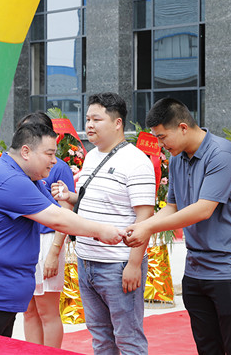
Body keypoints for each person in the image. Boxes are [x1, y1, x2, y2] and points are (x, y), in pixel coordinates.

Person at [0, 122, 125, 337]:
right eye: (49, 154)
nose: (54, 161)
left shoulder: (29, 179)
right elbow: (57, 219)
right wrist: (102, 231)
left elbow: (60, 212)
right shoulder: (9, 179)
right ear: (26, 151)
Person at [124, 97, 231, 355]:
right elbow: (172, 206)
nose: (160, 145)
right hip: (196, 270)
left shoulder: (221, 153)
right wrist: (141, 225)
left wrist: (148, 229)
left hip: (230, 268)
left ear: (183, 127)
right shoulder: (177, 159)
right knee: (207, 347)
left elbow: (203, 209)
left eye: (162, 137)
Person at [52, 92, 155, 355]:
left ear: (117, 123)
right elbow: (91, 200)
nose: (89, 125)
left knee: (128, 338)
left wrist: (134, 264)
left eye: (97, 119)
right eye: (87, 119)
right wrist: (69, 196)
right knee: (100, 338)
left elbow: (145, 217)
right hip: (86, 261)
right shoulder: (91, 156)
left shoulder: (136, 161)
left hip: (118, 265)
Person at [18, 112, 75, 349]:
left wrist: (54, 252)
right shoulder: (19, 167)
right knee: (28, 310)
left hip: (47, 240)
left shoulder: (59, 167)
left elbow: (66, 210)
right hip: (24, 243)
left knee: (47, 310)